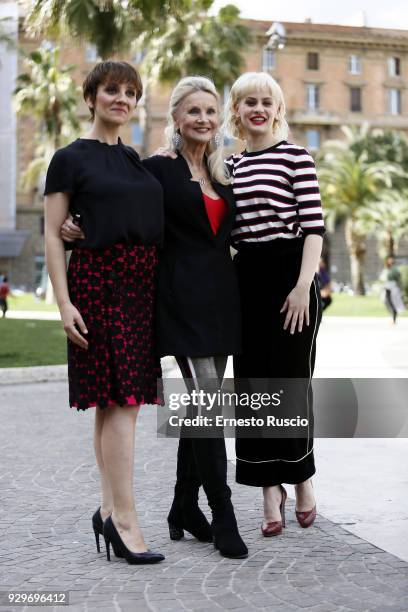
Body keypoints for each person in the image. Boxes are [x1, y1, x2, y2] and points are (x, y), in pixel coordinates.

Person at [61, 76, 248, 559]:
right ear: (176, 119)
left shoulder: (223, 173)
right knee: (206, 406)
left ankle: (183, 506)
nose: (203, 120)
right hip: (178, 299)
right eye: (193, 112)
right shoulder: (154, 171)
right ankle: (224, 514)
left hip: (222, 300)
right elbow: (112, 198)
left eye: (211, 111)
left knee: (201, 405)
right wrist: (74, 224)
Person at [44, 61, 165, 565]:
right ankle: (125, 519)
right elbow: (53, 232)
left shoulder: (136, 159)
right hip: (99, 283)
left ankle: (109, 509)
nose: (122, 98)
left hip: (142, 285)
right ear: (91, 98)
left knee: (115, 403)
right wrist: (63, 302)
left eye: (131, 92)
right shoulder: (69, 158)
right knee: (122, 401)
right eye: (112, 90)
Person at [223, 72, 325, 535]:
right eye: (249, 102)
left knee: (290, 382)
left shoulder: (296, 157)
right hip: (246, 280)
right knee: (253, 388)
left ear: (278, 109)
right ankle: (269, 489)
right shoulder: (231, 168)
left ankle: (301, 477)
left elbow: (313, 230)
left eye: (266, 101)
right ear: (237, 112)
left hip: (292, 278)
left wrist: (304, 286)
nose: (258, 109)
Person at [380, 255, 405, 324]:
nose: (390, 261)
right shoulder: (386, 268)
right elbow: (383, 277)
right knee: (386, 301)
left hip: (392, 287)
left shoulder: (395, 269)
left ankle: (394, 318)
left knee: (392, 302)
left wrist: (400, 288)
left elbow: (398, 278)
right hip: (386, 286)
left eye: (391, 259)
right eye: (389, 259)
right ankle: (393, 315)